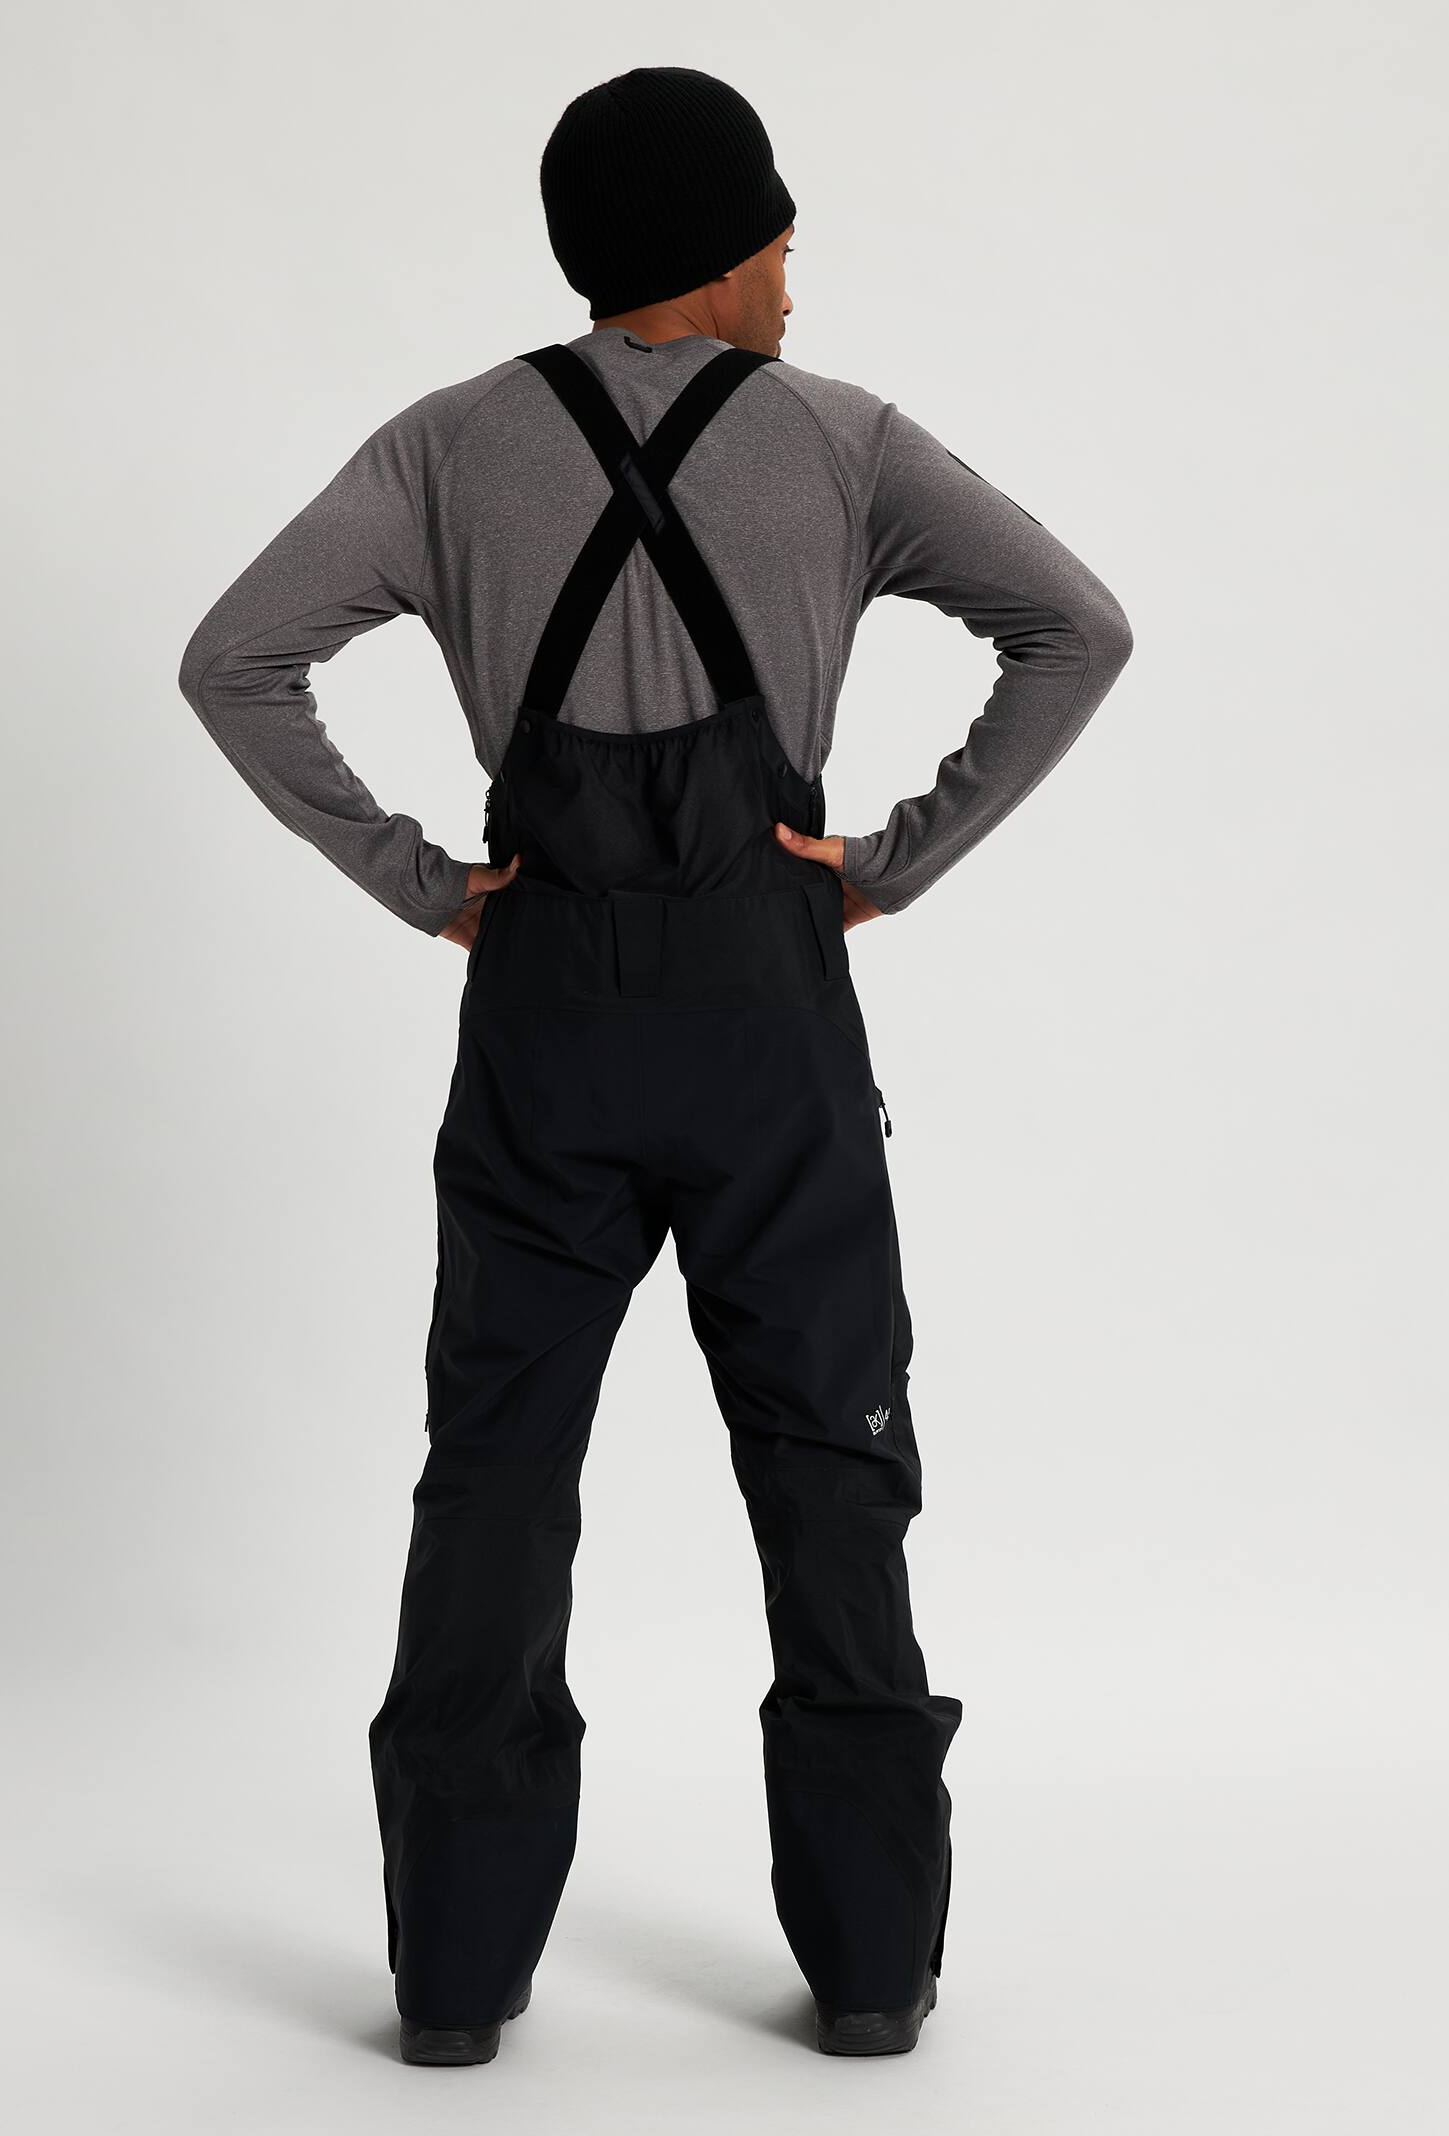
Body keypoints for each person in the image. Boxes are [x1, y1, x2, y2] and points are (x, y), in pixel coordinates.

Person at [177, 63, 1133, 2068]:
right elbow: (1074, 626)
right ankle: (867, 1974)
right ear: (713, 252)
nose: (794, 265)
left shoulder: (445, 447)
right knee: (832, 1475)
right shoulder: (843, 441)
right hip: (768, 1032)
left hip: (541, 1030)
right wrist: (888, 863)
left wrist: (427, 887)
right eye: (776, 231)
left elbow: (233, 658)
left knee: (494, 1486)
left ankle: (453, 1985)